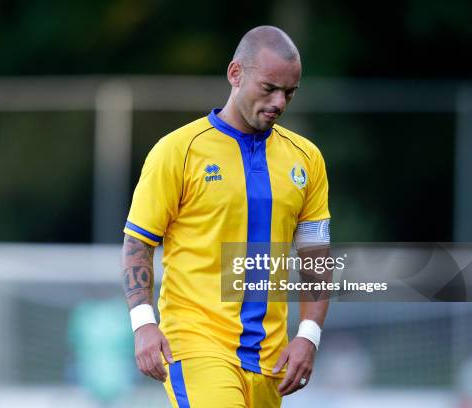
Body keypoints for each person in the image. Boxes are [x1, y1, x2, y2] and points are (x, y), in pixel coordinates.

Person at [121, 25, 331, 408]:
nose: (280, 102)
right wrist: (143, 325)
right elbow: (137, 244)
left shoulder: (306, 159)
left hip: (271, 359)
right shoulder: (178, 151)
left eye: (290, 92)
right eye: (269, 88)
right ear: (235, 74)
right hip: (196, 344)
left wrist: (308, 334)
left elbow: (316, 252)